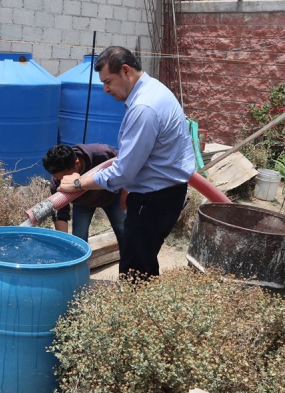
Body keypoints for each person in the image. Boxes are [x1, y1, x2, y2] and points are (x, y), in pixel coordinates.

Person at [57, 46, 195, 279]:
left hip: (154, 201)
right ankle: (144, 311)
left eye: (108, 81)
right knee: (144, 262)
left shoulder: (144, 108)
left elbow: (123, 171)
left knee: (134, 270)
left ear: (125, 71)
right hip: (164, 193)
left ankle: (133, 313)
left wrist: (79, 183)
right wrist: (127, 186)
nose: (105, 89)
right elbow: (136, 160)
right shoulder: (154, 90)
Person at [42, 143, 126, 250]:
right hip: (83, 203)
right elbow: (61, 213)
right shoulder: (57, 182)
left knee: (123, 230)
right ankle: (81, 266)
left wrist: (124, 193)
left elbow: (125, 168)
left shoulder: (102, 154)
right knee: (79, 238)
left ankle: (130, 264)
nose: (63, 181)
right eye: (58, 179)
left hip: (112, 196)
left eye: (65, 178)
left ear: (77, 163)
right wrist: (62, 244)